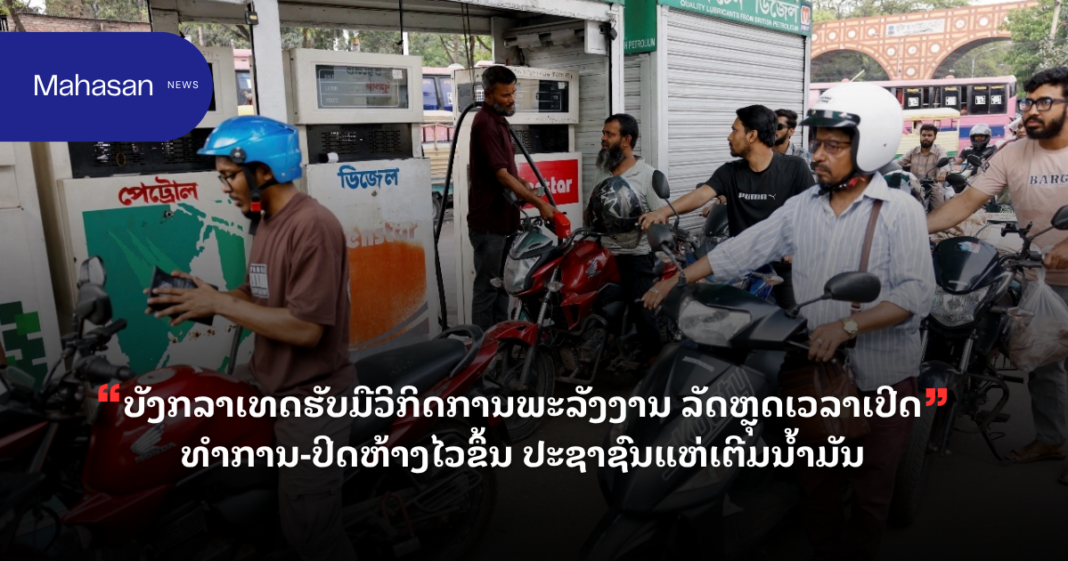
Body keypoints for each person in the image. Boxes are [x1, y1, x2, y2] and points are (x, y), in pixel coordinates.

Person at [643, 82, 935, 561]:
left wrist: (846, 327)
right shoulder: (804, 206)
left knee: (870, 492)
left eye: (833, 146)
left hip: (881, 378)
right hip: (814, 374)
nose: (816, 155)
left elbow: (915, 295)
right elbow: (744, 248)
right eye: (816, 142)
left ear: (872, 146)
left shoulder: (899, 210)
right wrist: (677, 279)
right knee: (815, 485)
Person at [145, 116, 358, 561]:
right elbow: (254, 293)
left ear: (263, 171)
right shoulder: (267, 221)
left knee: (312, 538)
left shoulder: (313, 226)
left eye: (229, 176)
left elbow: (306, 329)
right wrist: (204, 299)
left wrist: (221, 305)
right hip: (267, 381)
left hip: (311, 399)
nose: (225, 187)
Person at [927, 66, 1068, 483]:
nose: (1031, 111)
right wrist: (913, 229)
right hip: (1039, 276)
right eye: (1028, 102)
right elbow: (967, 201)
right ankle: (1052, 440)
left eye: (1045, 102)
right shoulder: (1012, 153)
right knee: (1045, 361)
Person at [638, 105, 814, 308]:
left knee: (793, 320)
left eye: (734, 130)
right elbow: (701, 195)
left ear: (752, 135)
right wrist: (663, 211)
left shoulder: (794, 168)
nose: (729, 137)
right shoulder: (730, 172)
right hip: (741, 264)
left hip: (783, 268)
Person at [468, 65, 558, 330]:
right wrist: (540, 203)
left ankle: (500, 341)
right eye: (505, 95)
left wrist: (522, 184)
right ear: (488, 95)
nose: (511, 99)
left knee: (503, 285)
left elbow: (505, 171)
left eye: (513, 93)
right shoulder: (485, 124)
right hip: (489, 225)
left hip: (504, 222)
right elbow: (501, 175)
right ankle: (482, 346)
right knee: (488, 288)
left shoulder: (499, 121)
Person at [590, 113, 668, 364]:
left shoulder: (647, 175)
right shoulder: (603, 172)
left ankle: (656, 363)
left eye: (609, 134)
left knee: (642, 307)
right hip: (604, 252)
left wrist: (647, 221)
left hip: (635, 254)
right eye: (603, 133)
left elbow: (662, 217)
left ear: (626, 140)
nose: (603, 138)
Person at [898, 123, 952, 210]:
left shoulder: (939, 150)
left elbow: (944, 163)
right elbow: (899, 162)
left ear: (934, 137)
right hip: (914, 186)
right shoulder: (913, 151)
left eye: (929, 135)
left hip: (934, 186)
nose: (926, 137)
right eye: (924, 135)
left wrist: (943, 174)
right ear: (920, 136)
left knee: (939, 210)